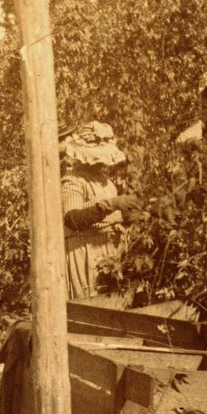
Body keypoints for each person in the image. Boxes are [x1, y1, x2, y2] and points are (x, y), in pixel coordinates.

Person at [59, 121, 142, 301]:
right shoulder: (73, 180)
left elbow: (111, 217)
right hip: (86, 250)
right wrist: (109, 205)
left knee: (114, 300)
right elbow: (73, 219)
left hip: (109, 249)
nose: (102, 164)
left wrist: (132, 213)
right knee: (90, 301)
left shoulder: (107, 183)